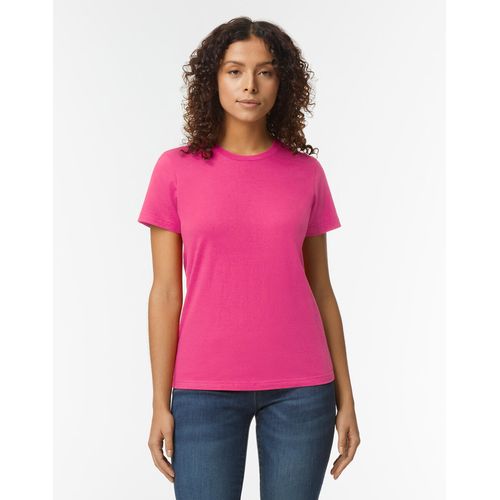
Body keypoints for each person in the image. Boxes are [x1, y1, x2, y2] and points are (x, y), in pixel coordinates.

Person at [138, 16, 360, 500]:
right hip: (203, 390)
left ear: (283, 82)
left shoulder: (306, 173)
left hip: (303, 388)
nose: (250, 85)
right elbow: (166, 292)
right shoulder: (174, 170)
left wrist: (346, 397)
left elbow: (321, 290)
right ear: (213, 79)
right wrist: (159, 401)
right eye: (235, 71)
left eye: (266, 71)